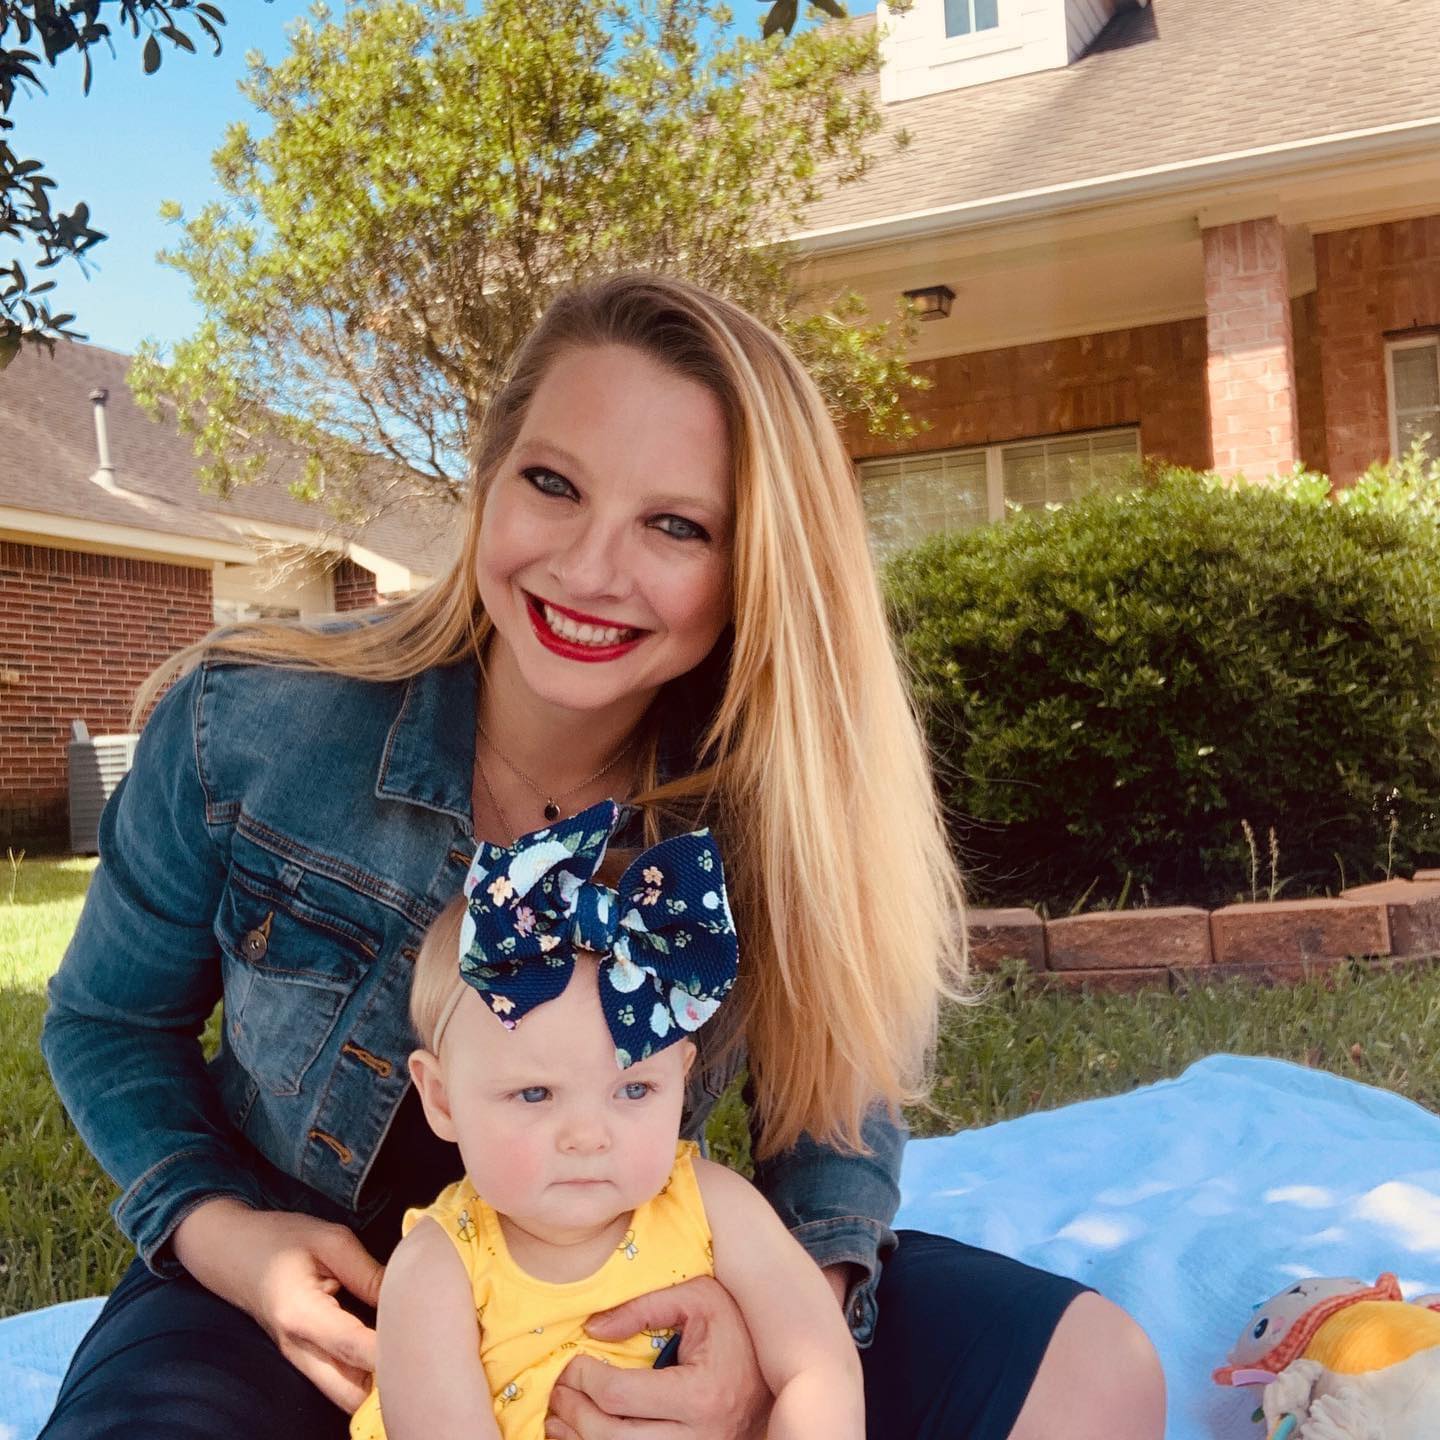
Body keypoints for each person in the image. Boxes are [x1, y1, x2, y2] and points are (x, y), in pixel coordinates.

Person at [40, 270, 1166, 1440]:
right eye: (553, 484)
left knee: (1098, 1372)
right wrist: (232, 1244)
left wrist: (775, 1339)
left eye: (675, 526)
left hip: (623, 1283)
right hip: (291, 1304)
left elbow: (838, 1099)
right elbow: (107, 1023)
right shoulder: (257, 719)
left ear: (754, 568)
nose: (588, 568)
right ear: (490, 480)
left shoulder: (779, 801)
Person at [349, 813, 863, 1440]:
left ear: (680, 1076)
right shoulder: (436, 1270)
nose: (588, 1136)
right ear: (443, 1099)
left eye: (634, 1089)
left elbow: (820, 1363)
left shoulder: (711, 1206)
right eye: (535, 1093)